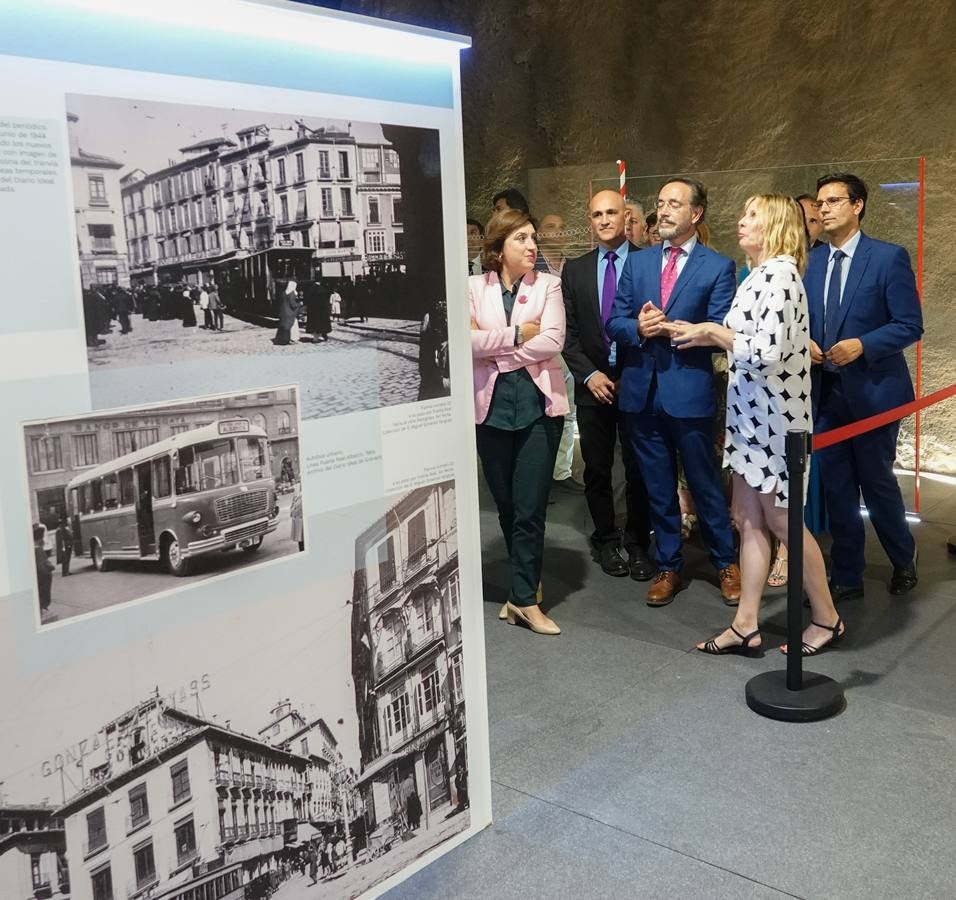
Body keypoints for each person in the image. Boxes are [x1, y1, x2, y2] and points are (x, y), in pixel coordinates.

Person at [666, 194, 845, 655]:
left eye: (751, 216)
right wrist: (697, 331)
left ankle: (826, 617)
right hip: (752, 418)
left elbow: (765, 351)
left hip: (777, 420)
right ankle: (746, 623)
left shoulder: (782, 276)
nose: (741, 222)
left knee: (784, 523)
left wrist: (710, 332)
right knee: (747, 519)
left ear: (774, 225)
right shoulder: (759, 276)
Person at [607, 178, 741, 606]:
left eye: (674, 204)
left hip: (689, 392)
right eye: (661, 204)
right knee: (658, 486)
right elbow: (615, 321)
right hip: (641, 394)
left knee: (704, 483)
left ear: (695, 214)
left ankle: (725, 562)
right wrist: (638, 328)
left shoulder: (718, 267)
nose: (663, 211)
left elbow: (722, 327)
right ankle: (669, 566)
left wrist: (687, 331)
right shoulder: (638, 263)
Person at [807, 172, 922, 600]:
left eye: (834, 200)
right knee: (836, 486)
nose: (824, 209)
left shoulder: (887, 257)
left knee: (876, 482)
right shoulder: (812, 261)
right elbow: (800, 320)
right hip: (826, 394)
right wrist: (806, 343)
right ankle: (848, 573)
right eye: (821, 202)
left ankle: (902, 559)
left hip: (875, 392)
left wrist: (863, 345)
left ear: (857, 205)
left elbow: (910, 325)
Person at [470, 208, 568, 636]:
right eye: (521, 239)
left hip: (538, 410)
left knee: (529, 508)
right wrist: (514, 336)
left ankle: (526, 600)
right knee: (507, 507)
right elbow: (464, 343)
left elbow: (553, 340)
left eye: (533, 238)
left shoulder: (549, 284)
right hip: (489, 412)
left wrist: (495, 351)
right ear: (499, 248)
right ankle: (521, 587)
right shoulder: (472, 288)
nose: (532, 246)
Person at [561, 190, 653, 580]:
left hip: (637, 380)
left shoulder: (649, 264)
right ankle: (604, 539)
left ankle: (637, 543)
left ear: (627, 217)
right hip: (592, 384)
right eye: (596, 214)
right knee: (596, 469)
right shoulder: (576, 270)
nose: (604, 220)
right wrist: (589, 374)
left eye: (611, 212)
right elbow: (568, 334)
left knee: (638, 468)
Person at [34, 524, 54, 612]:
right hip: (44, 577)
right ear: (40, 540)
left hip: (43, 576)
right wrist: (50, 567)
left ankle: (43, 606)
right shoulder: (38, 550)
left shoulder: (38, 549)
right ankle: (43, 606)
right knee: (43, 593)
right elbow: (42, 566)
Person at [274, 280, 300, 345]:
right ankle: (293, 339)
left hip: (284, 312)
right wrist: (299, 304)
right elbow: (293, 304)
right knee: (294, 325)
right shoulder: (292, 293)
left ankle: (283, 339)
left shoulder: (284, 293)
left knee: (285, 326)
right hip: (290, 313)